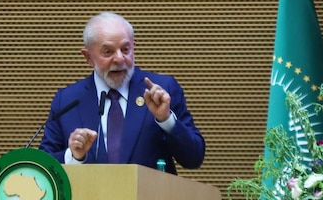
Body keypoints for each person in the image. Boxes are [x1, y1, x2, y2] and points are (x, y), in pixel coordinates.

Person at [39, 12, 205, 174]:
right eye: (108, 52)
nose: (119, 59)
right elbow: (43, 167)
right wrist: (73, 156)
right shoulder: (67, 100)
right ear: (88, 57)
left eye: (125, 50)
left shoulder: (162, 90)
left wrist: (166, 119)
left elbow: (194, 158)